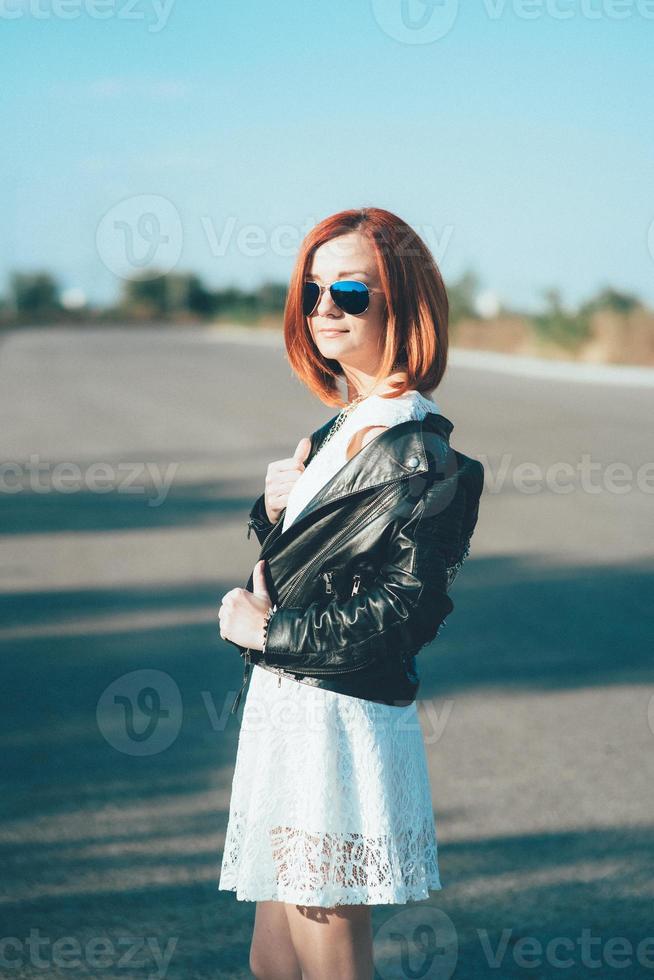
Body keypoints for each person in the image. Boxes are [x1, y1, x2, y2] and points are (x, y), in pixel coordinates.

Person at [217, 206, 483, 980]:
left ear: (403, 303)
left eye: (351, 292)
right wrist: (271, 515)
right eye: (312, 290)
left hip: (338, 715)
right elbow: (319, 570)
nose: (324, 308)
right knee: (274, 955)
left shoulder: (422, 454)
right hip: (291, 705)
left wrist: (268, 636)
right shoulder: (340, 431)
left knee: (327, 941)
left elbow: (408, 611)